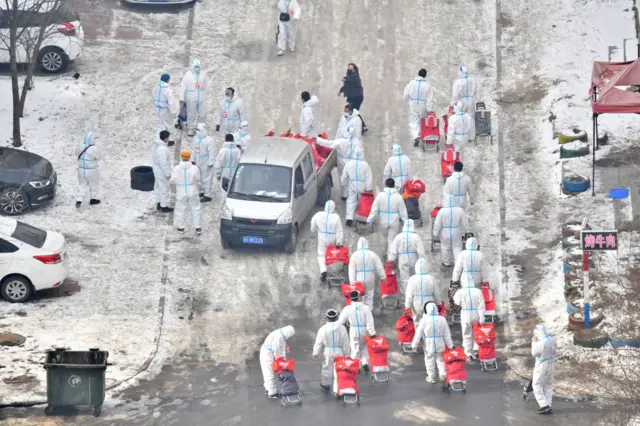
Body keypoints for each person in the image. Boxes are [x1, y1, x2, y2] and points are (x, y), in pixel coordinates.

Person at [315, 128, 363, 201]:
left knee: (342, 178)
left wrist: (317, 139)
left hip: (342, 162)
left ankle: (344, 195)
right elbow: (360, 153)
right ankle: (354, 195)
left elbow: (328, 143)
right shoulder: (356, 142)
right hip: (352, 162)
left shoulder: (341, 141)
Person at [412, 302, 453, 384]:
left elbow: (418, 333)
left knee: (429, 360)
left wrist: (414, 345)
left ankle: (431, 377)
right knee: (441, 360)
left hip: (428, 344)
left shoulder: (424, 320)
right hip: (440, 343)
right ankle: (442, 375)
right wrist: (450, 345)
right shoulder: (442, 319)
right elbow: (447, 334)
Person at [367, 178, 408, 256]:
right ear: (394, 185)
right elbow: (403, 211)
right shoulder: (398, 197)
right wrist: (406, 222)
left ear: (385, 184)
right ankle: (390, 256)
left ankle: (388, 253)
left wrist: (369, 220)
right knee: (391, 239)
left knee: (386, 238)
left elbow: (374, 210)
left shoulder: (380, 196)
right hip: (394, 221)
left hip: (383, 221)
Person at [337, 290, 376, 372]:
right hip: (364, 330)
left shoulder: (347, 309)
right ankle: (364, 362)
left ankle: (356, 366)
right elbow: (370, 322)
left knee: (354, 348)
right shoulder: (366, 308)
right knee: (365, 347)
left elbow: (341, 321)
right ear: (359, 297)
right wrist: (372, 333)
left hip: (353, 330)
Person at [313, 309, 350, 390]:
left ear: (327, 317)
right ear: (336, 317)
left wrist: (315, 353)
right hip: (339, 351)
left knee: (326, 368)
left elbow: (318, 342)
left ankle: (326, 383)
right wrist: (347, 354)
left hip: (328, 351)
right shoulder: (342, 328)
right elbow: (346, 342)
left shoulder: (323, 329)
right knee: (340, 369)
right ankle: (339, 386)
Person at [388, 219, 425, 295]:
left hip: (402, 259)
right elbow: (421, 251)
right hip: (414, 259)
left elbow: (393, 250)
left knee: (404, 279)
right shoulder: (416, 237)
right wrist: (422, 259)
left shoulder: (398, 237)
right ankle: (414, 293)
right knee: (413, 277)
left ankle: (405, 295)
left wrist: (390, 259)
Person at [310, 200, 344, 282]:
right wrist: (339, 242)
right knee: (332, 254)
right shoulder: (336, 217)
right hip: (332, 237)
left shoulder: (318, 215)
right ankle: (334, 270)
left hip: (322, 237)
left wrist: (314, 230)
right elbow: (339, 231)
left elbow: (313, 225)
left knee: (321, 254)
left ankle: (323, 271)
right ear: (333, 208)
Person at [433, 194, 470, 267]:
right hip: (456, 230)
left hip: (445, 231)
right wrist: (467, 230)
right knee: (457, 247)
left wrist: (435, 232)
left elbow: (437, 223)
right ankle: (458, 263)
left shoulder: (442, 211)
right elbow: (465, 222)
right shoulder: (460, 210)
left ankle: (446, 262)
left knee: (445, 247)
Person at [170, 150, 202, 234]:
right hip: (192, 189)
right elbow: (198, 179)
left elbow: (172, 180)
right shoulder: (194, 168)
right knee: (196, 208)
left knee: (181, 209)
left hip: (181, 190)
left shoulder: (176, 168)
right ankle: (198, 228)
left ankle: (181, 228)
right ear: (189, 157)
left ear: (181, 157)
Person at [348, 237, 385, 308]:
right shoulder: (372, 254)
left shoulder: (354, 255)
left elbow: (351, 269)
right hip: (370, 276)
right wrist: (383, 277)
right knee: (370, 294)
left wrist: (352, 281)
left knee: (359, 294)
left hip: (359, 277)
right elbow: (379, 266)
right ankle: (368, 311)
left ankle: (360, 310)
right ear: (367, 244)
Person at [259, 326, 295, 398]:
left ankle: (268, 388)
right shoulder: (278, 338)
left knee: (267, 373)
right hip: (267, 356)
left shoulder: (280, 333)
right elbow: (277, 353)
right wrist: (282, 363)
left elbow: (281, 345)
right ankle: (272, 393)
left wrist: (285, 347)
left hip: (268, 353)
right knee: (269, 374)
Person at [453, 279, 486, 360]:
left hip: (465, 313)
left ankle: (468, 353)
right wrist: (482, 317)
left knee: (466, 333)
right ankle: (476, 350)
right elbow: (482, 305)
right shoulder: (478, 291)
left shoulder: (460, 292)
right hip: (476, 313)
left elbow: (456, 302)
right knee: (477, 333)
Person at [341, 147, 373, 225]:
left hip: (352, 184)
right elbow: (369, 177)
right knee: (363, 201)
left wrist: (343, 184)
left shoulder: (348, 163)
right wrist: (369, 188)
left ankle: (349, 218)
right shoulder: (365, 165)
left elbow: (344, 176)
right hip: (362, 185)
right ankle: (362, 217)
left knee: (351, 200)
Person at [403, 69, 434, 146]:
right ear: (425, 75)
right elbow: (429, 98)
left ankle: (416, 136)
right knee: (423, 121)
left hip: (413, 103)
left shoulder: (412, 83)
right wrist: (429, 109)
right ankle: (424, 135)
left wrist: (406, 100)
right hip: (422, 104)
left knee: (414, 121)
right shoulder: (427, 85)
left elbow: (406, 93)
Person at [531, 324, 557, 415]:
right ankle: (548, 405)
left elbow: (534, 353)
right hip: (551, 364)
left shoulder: (541, 342)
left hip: (542, 366)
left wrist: (534, 342)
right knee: (547, 385)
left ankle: (544, 405)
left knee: (537, 385)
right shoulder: (552, 339)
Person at [179, 59, 207, 136]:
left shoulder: (202, 74)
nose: (197, 68)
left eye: (198, 67)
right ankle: (190, 129)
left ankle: (200, 128)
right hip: (190, 97)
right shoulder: (188, 75)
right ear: (192, 66)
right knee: (191, 114)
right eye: (195, 67)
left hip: (200, 96)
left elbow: (205, 85)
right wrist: (181, 97)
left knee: (202, 113)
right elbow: (182, 86)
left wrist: (202, 89)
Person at [338, 63, 367, 133]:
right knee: (352, 111)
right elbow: (347, 86)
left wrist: (346, 80)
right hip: (351, 96)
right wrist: (341, 91)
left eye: (351, 67)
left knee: (354, 111)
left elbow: (352, 82)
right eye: (348, 67)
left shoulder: (356, 76)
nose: (349, 68)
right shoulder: (348, 76)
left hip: (357, 97)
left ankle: (363, 126)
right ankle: (356, 125)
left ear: (354, 69)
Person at [191, 123, 216, 202]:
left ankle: (207, 195)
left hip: (206, 162)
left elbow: (211, 151)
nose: (197, 132)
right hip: (198, 161)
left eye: (199, 130)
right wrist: (193, 159)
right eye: (197, 130)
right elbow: (194, 150)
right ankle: (202, 191)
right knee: (200, 177)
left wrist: (211, 162)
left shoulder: (209, 140)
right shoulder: (196, 139)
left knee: (207, 178)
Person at [75, 132, 101, 208]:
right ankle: (93, 199)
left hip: (81, 170)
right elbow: (99, 157)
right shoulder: (94, 148)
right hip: (92, 170)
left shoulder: (79, 146)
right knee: (94, 184)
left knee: (82, 185)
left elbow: (76, 153)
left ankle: (79, 199)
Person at [152, 130, 174, 213]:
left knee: (158, 187)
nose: (168, 139)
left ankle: (159, 203)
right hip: (161, 172)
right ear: (165, 139)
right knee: (165, 188)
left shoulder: (157, 145)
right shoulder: (162, 149)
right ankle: (164, 206)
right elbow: (164, 163)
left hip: (157, 170)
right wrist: (168, 173)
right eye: (168, 137)